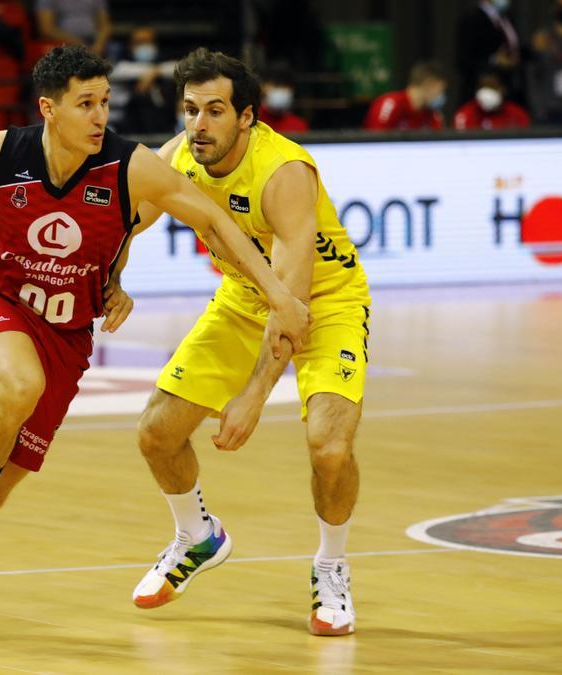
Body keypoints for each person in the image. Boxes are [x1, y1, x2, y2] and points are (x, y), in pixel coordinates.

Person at [0, 45, 310, 636]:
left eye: (105, 102)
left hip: (68, 335)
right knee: (18, 388)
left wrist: (277, 293)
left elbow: (213, 220)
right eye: (85, 104)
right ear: (49, 108)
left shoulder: (128, 166)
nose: (100, 116)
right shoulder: (1, 152)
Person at [125, 48, 370, 637]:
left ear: (247, 117)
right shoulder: (179, 157)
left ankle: (331, 565)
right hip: (242, 298)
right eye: (190, 110)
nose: (199, 124)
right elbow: (130, 216)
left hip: (324, 302)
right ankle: (197, 536)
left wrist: (256, 395)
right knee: (157, 432)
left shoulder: (283, 173)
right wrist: (112, 274)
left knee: (329, 446)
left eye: (214, 110)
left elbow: (292, 300)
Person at [108, 25, 176, 134]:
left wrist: (156, 71)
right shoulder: (122, 65)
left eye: (147, 41)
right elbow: (122, 69)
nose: (144, 46)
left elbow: (180, 67)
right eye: (139, 42)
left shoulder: (163, 64)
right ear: (130, 46)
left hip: (163, 126)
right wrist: (153, 72)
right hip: (126, 128)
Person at [456, 0, 521, 104]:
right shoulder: (471, 19)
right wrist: (495, 60)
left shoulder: (506, 18)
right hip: (481, 94)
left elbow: (513, 47)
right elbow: (464, 61)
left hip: (509, 93)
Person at [363, 61, 447, 131]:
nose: (441, 95)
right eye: (441, 90)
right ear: (429, 84)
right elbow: (376, 143)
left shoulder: (433, 115)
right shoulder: (390, 104)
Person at [453, 69, 530, 130]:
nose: (487, 92)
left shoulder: (517, 115)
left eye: (492, 86)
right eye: (484, 86)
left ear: (503, 89)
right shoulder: (465, 115)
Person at [36, 0, 109, 56]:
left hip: (93, 42)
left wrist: (99, 45)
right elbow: (47, 29)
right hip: (62, 43)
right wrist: (77, 43)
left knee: (114, 49)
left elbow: (105, 25)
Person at [258, 67, 308, 133]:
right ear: (263, 87)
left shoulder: (299, 125)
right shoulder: (251, 121)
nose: (281, 89)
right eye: (276, 85)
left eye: (285, 86)